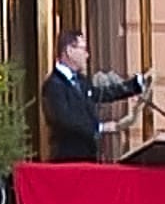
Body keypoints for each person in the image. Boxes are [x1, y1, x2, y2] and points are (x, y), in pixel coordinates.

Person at [39, 29, 146, 162]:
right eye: (83, 49)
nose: (87, 55)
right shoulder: (53, 85)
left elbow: (102, 93)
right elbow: (65, 120)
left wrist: (134, 85)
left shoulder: (82, 81)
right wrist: (99, 127)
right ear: (69, 51)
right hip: (66, 161)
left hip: (88, 158)